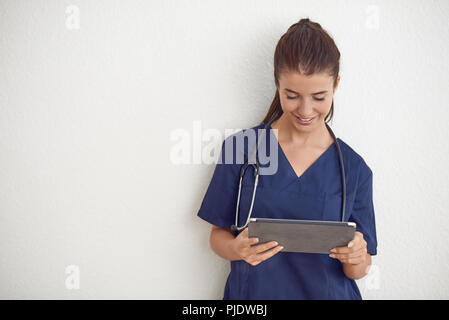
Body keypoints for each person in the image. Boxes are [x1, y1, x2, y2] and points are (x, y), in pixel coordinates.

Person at [196, 18, 377, 300]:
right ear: (276, 83)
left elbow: (361, 269)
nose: (306, 110)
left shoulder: (354, 169)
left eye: (319, 97)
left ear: (336, 85)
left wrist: (357, 257)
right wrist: (236, 249)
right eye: (292, 95)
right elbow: (217, 235)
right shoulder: (241, 149)